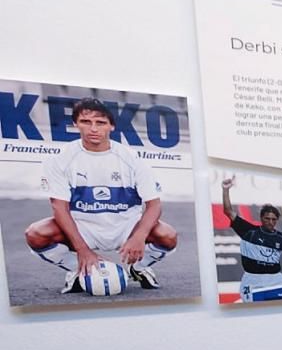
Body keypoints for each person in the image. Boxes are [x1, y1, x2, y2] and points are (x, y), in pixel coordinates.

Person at [24, 97, 177, 292]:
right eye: (86, 122)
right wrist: (82, 250)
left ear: (111, 126)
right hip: (82, 227)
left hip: (126, 226)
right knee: (36, 234)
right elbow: (59, 207)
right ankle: (79, 269)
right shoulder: (60, 159)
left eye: (100, 123)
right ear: (75, 124)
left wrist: (139, 236)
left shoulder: (131, 158)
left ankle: (137, 267)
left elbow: (154, 204)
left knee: (168, 235)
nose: (93, 129)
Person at [220, 177, 282, 302]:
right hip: (252, 279)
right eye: (267, 218)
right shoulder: (249, 231)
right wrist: (225, 190)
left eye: (273, 219)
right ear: (261, 218)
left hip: (275, 280)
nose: (270, 222)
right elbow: (228, 211)